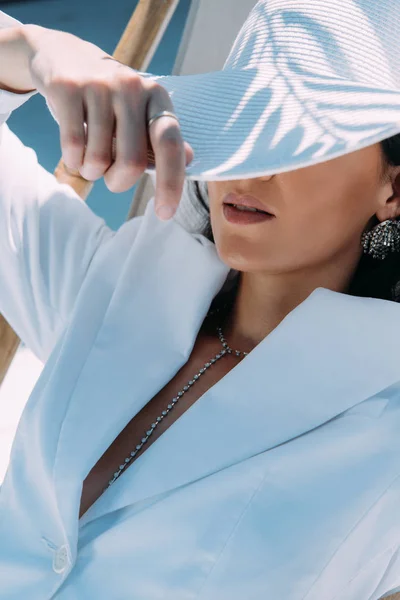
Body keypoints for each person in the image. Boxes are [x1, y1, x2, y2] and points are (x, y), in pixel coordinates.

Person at [1, 0, 400, 598]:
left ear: (392, 188)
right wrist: (36, 53)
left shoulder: (385, 421)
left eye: (295, 142)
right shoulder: (117, 287)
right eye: (238, 125)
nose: (249, 170)